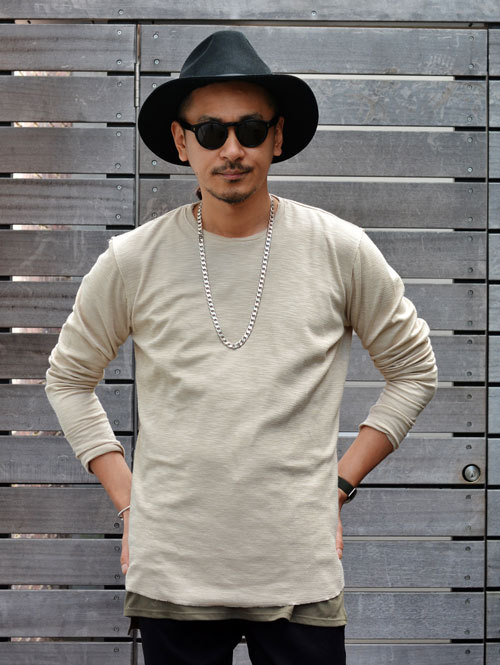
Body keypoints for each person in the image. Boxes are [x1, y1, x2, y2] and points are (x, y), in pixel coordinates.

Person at [45, 30, 438, 665]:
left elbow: (415, 371)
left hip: (298, 573)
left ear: (277, 137)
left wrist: (339, 484)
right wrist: (130, 500)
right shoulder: (133, 259)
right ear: (182, 142)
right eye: (210, 132)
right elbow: (67, 378)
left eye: (251, 129)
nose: (232, 149)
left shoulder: (339, 249)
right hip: (174, 577)